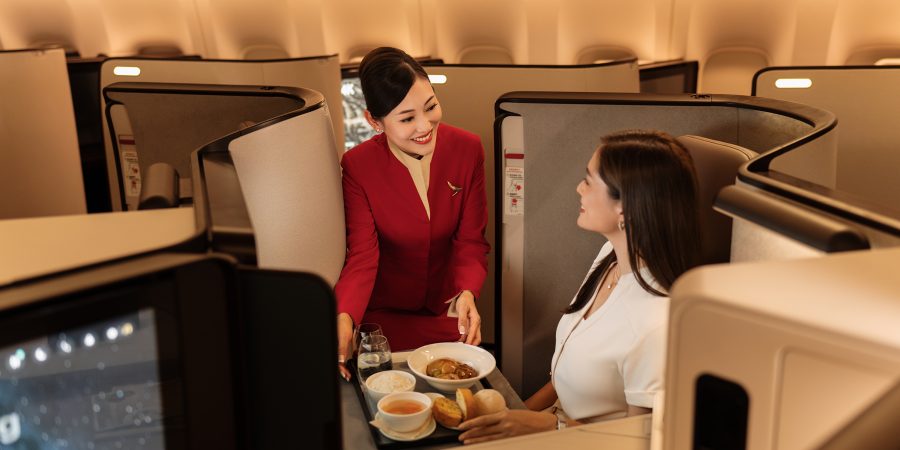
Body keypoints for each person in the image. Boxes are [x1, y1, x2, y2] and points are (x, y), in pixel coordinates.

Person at [458, 130, 701, 444]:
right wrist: (512, 419)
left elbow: (639, 442)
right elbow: (566, 377)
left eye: (588, 181)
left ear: (625, 206)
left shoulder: (655, 323)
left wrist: (548, 428)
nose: (578, 188)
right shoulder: (610, 256)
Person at [335, 47, 490, 380]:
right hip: (384, 315)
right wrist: (345, 316)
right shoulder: (358, 166)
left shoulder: (467, 149)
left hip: (444, 309)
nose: (425, 125)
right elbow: (362, 255)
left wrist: (467, 291)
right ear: (374, 121)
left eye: (430, 107)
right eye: (407, 118)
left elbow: (470, 240)